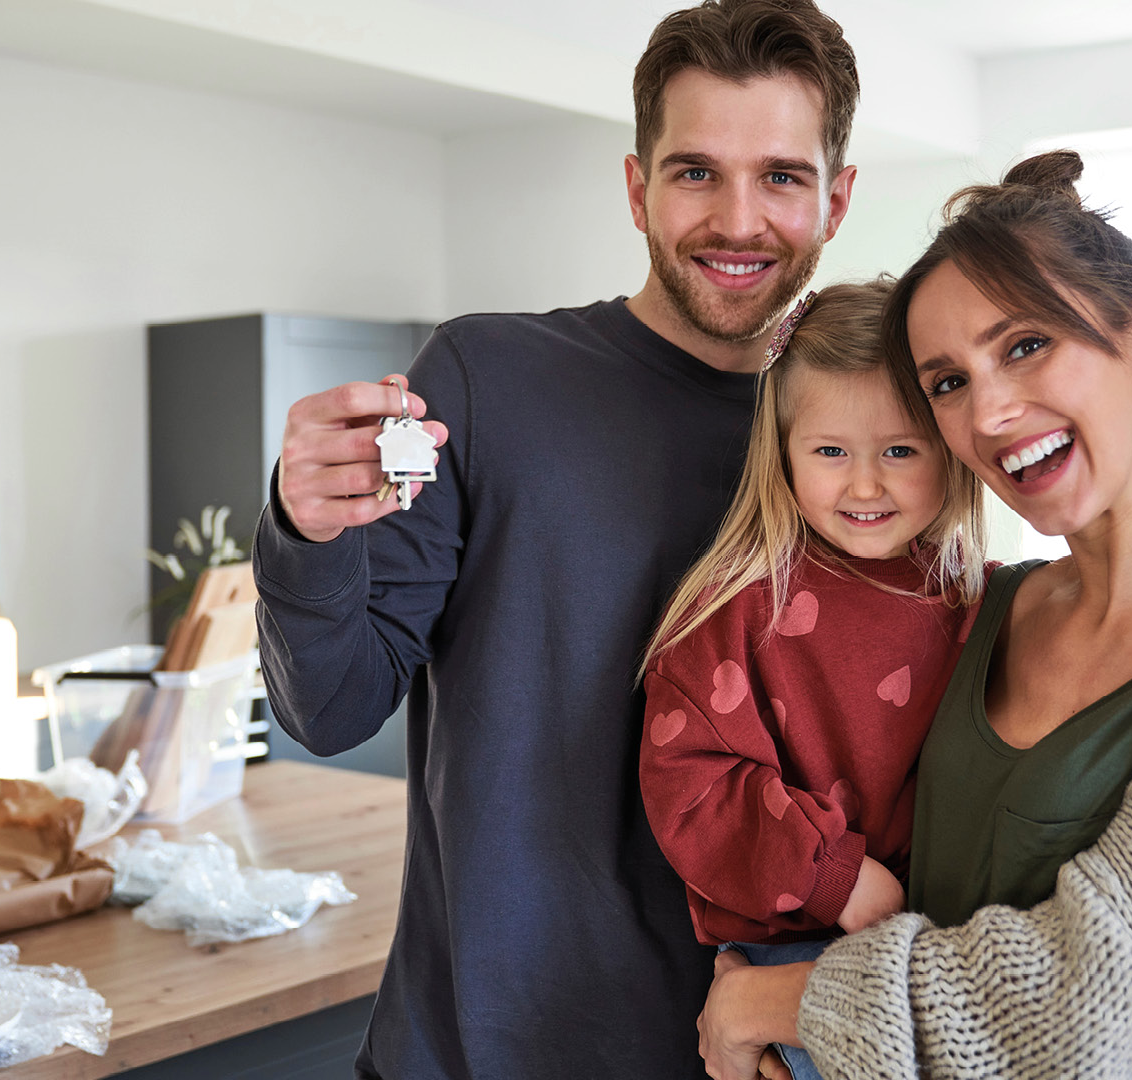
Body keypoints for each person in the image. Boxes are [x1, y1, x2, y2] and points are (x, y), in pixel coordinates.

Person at [694, 150, 1132, 1079]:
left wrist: (771, 1000)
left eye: (1025, 345)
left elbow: (1093, 1002)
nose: (988, 411)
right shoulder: (980, 607)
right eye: (947, 382)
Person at [252, 2, 862, 1075]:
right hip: (469, 1052)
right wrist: (308, 528)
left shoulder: (867, 451)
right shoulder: (489, 381)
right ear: (637, 189)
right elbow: (332, 705)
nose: (737, 219)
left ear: (836, 197)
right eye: (694, 173)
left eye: (781, 176)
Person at [638, 280, 987, 1080]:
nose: (866, 486)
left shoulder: (983, 600)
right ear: (784, 451)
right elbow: (687, 785)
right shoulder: (740, 603)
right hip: (785, 943)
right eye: (831, 452)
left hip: (937, 956)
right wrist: (830, 874)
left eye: (900, 450)